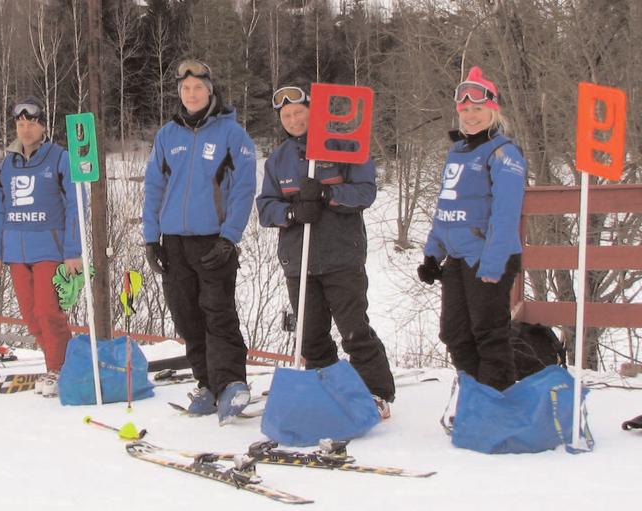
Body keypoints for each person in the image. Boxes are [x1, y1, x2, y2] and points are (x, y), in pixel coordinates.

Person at [256, 85, 395, 417]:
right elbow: (265, 208)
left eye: (298, 112)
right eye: (286, 116)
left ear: (312, 111)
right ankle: (326, 385)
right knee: (310, 335)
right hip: (299, 261)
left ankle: (377, 391)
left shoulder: (344, 145)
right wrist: (291, 213)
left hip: (340, 255)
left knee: (353, 328)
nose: (293, 119)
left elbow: (365, 192)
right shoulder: (278, 159)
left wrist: (328, 196)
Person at [142, 59, 257, 424]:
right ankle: (206, 385)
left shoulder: (231, 134)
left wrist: (230, 237)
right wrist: (150, 237)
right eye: (185, 89)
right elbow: (154, 187)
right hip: (174, 241)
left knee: (217, 312)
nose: (192, 94)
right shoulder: (167, 136)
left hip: (214, 241)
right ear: (180, 93)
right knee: (186, 317)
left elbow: (243, 189)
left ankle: (232, 385)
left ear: (211, 90)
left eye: (198, 87)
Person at [418, 67, 526, 391]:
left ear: (493, 110)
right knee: (454, 333)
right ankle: (476, 393)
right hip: (457, 257)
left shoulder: (504, 153)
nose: (470, 115)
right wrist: (431, 254)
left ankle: (497, 403)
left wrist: (493, 266)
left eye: (477, 109)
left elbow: (506, 215)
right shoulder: (458, 152)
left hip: (487, 257)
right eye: (465, 110)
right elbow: (446, 208)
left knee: (489, 334)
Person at [0, 96, 82, 397]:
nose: (26, 130)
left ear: (42, 126)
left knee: (47, 311)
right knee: (31, 316)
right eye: (20, 124)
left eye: (31, 124)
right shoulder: (6, 164)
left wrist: (73, 250)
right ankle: (58, 361)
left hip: (49, 250)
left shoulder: (59, 158)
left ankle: (59, 366)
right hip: (16, 251)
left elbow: (76, 205)